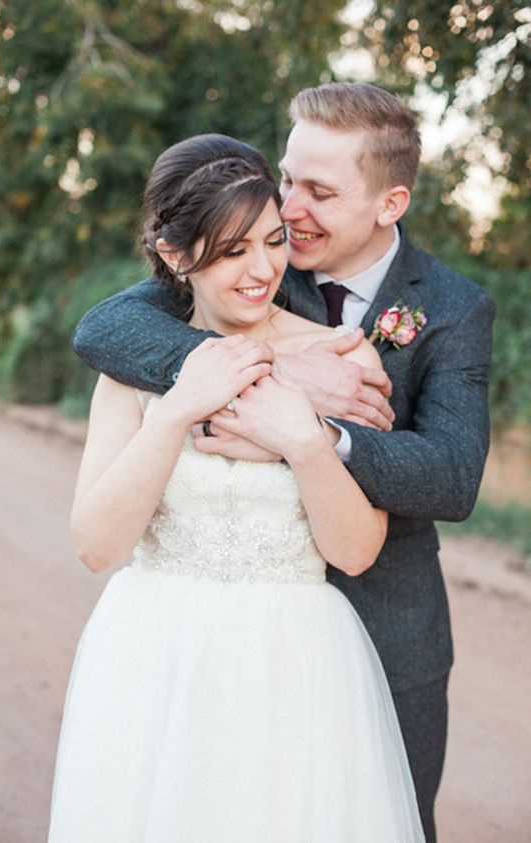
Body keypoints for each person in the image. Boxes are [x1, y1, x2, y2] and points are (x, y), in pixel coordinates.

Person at [72, 83, 496, 842]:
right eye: (289, 178)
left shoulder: (453, 307)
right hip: (186, 640)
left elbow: (453, 476)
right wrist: (271, 368)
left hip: (372, 626)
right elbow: (105, 328)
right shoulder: (249, 250)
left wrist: (317, 435)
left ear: (388, 203)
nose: (291, 209)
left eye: (319, 191)